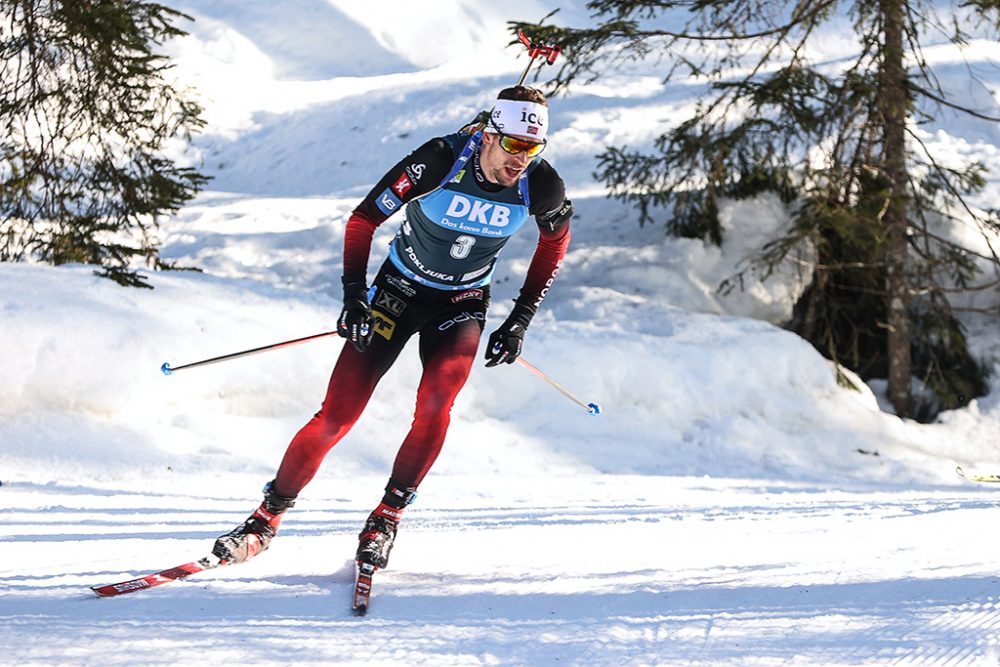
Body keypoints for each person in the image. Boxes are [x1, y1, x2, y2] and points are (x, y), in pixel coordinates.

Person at [212, 85, 574, 572]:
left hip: (463, 302)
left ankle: (386, 518)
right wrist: (353, 296)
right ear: (489, 135)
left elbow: (554, 246)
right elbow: (363, 220)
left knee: (436, 408)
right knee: (337, 416)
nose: (520, 160)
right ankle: (264, 519)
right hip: (397, 293)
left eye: (532, 149)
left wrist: (520, 319)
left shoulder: (541, 184)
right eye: (512, 145)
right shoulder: (441, 159)